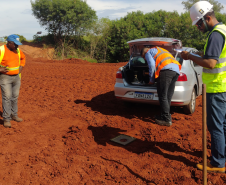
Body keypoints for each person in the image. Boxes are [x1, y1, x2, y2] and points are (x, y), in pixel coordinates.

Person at [180, 1, 226, 173]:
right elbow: (213, 56)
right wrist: (197, 54)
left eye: (199, 23)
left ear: (207, 18)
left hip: (216, 88)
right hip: (223, 86)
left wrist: (190, 57)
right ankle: (222, 155)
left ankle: (217, 163)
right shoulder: (223, 30)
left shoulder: (215, 34)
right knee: (223, 124)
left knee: (215, 127)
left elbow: (211, 63)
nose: (198, 27)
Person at [141, 46, 181, 126]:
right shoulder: (161, 50)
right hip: (176, 71)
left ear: (144, 53)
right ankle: (164, 116)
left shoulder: (148, 52)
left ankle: (166, 120)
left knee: (162, 95)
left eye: (144, 57)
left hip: (166, 71)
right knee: (167, 96)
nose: (145, 59)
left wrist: (151, 80)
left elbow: (152, 66)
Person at [0, 34, 26, 128]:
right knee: (7, 97)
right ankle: (6, 119)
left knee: (14, 97)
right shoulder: (1, 50)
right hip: (5, 77)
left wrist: (21, 67)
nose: (16, 46)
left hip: (16, 77)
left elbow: (23, 58)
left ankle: (14, 115)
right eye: (15, 44)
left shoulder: (18, 50)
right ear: (9, 42)